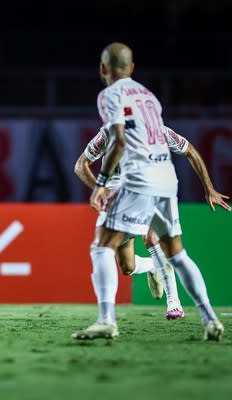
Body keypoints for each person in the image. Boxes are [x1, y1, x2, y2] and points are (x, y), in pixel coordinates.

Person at [72, 42, 229, 341]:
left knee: (101, 245)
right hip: (166, 178)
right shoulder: (149, 99)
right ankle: (209, 319)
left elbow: (119, 141)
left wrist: (102, 184)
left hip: (136, 180)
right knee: (169, 256)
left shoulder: (109, 96)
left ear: (103, 69)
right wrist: (209, 188)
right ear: (132, 69)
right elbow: (189, 150)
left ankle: (107, 320)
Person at [75, 125, 231, 320]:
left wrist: (209, 188)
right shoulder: (108, 133)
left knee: (151, 236)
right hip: (118, 198)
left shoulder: (159, 132)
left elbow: (190, 150)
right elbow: (81, 165)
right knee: (127, 267)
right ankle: (152, 266)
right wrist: (101, 189)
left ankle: (174, 302)